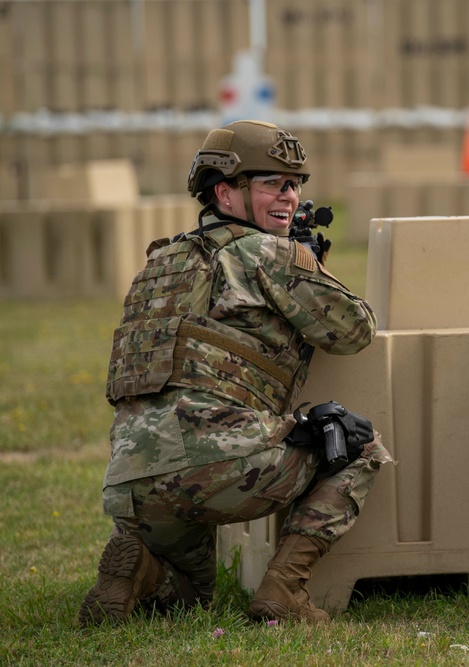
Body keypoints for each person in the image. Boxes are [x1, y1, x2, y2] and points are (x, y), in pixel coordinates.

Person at [78, 120, 394, 626]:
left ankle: (138, 567)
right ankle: (284, 593)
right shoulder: (268, 251)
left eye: (294, 185)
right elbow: (355, 329)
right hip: (217, 468)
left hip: (130, 485)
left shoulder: (160, 263)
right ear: (225, 192)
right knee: (357, 444)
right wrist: (309, 263)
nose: (288, 197)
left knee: (190, 595)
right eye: (271, 183)